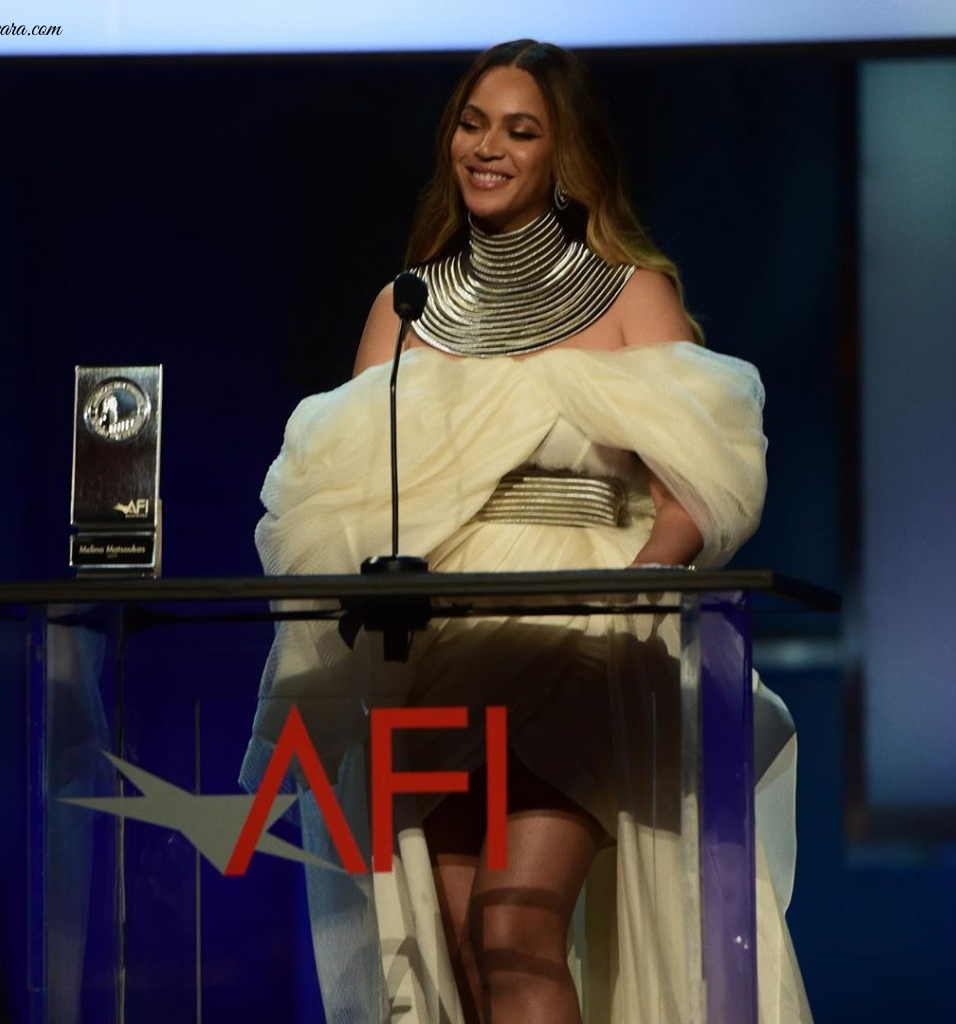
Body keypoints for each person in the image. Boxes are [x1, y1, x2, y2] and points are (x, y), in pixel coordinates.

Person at [242, 39, 812, 1024]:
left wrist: (633, 588)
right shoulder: (405, 307)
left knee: (515, 924)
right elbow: (337, 498)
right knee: (466, 947)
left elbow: (701, 488)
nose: (487, 147)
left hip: (585, 641)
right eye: (471, 124)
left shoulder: (631, 296)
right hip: (442, 651)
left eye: (519, 129)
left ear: (563, 154)